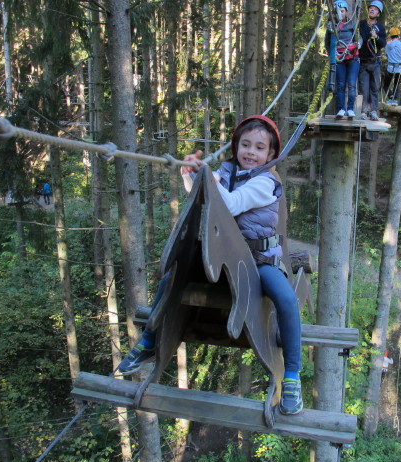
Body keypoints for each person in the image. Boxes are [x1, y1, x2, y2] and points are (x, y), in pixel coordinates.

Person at [118, 115, 304, 415]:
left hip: (259, 260)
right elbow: (202, 195)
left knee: (285, 298)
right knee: (170, 280)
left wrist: (208, 176)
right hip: (227, 253)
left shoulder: (266, 183)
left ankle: (293, 374)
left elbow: (228, 205)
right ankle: (149, 340)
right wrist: (190, 174)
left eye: (259, 147)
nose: (250, 152)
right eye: (245, 145)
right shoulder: (228, 171)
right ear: (236, 146)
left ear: (270, 155)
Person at [326, 0, 361, 118]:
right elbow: (327, 43)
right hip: (339, 58)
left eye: (342, 11)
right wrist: (334, 55)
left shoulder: (352, 24)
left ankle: (350, 108)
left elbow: (358, 39)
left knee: (351, 84)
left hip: (353, 58)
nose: (340, 13)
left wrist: (357, 45)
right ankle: (341, 108)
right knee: (340, 84)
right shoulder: (332, 26)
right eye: (338, 11)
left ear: (346, 11)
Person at [358, 0, 386, 121]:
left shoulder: (380, 27)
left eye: (375, 9)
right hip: (363, 62)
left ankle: (373, 110)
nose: (372, 10)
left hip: (375, 62)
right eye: (371, 8)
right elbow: (360, 38)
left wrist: (376, 36)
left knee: (374, 87)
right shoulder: (362, 24)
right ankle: (364, 111)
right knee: (364, 88)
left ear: (378, 14)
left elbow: (383, 43)